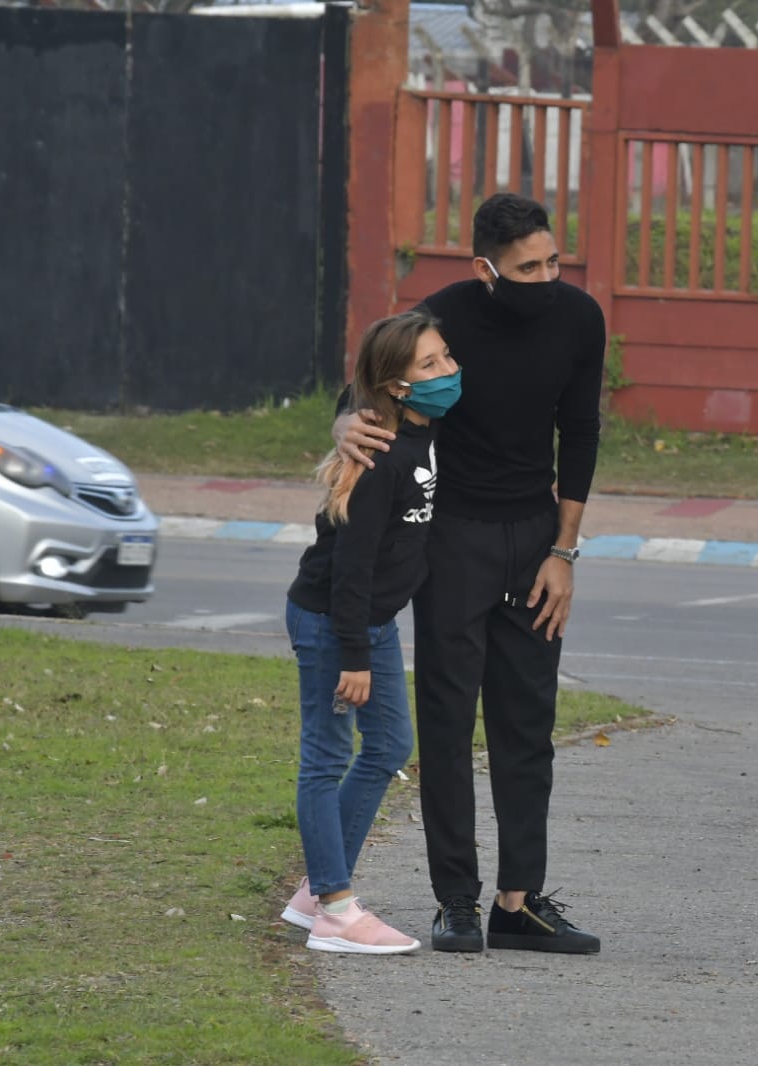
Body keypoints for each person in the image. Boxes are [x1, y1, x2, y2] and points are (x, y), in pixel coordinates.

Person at [334, 193, 605, 954]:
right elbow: (364, 390)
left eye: (554, 261)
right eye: (527, 268)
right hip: (449, 540)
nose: (546, 277)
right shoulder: (441, 317)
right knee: (449, 725)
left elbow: (579, 429)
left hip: (535, 540)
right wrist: (341, 424)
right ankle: (455, 900)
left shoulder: (579, 320)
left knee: (528, 724)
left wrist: (565, 550)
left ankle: (518, 904)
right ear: (486, 269)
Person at [281, 310, 460, 953]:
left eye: (447, 357)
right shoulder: (379, 455)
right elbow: (350, 572)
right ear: (398, 385)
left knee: (386, 746)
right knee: (326, 757)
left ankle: (317, 890)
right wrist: (353, 655)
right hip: (334, 622)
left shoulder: (422, 428)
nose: (449, 372)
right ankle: (334, 910)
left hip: (367, 624)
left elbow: (355, 387)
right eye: (431, 365)